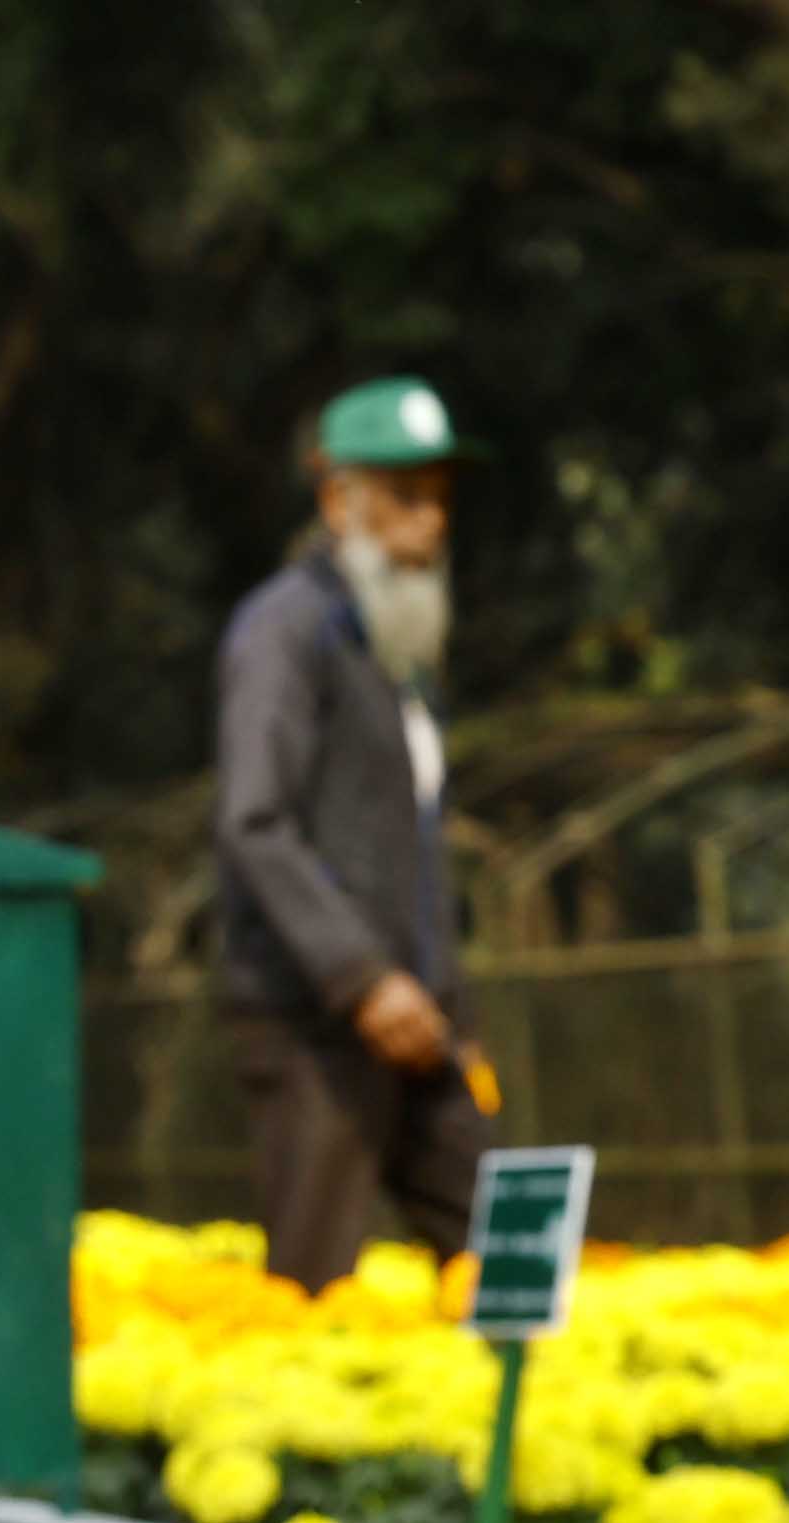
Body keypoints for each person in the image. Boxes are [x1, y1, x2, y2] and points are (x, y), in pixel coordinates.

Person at [215, 376, 482, 1294]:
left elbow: (409, 854)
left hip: (423, 1025)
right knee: (313, 1289)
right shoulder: (285, 631)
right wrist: (362, 980)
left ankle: (522, 1433)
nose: (432, 523)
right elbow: (255, 820)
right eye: (407, 497)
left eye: (441, 497)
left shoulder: (397, 644)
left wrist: (449, 1003)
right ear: (339, 502)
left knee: (508, 1254)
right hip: (318, 1024)